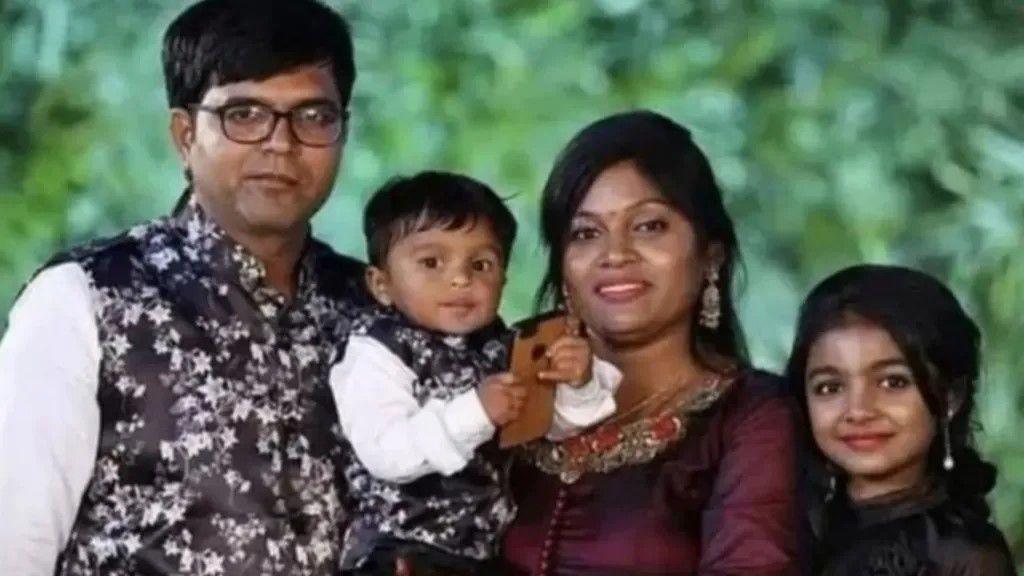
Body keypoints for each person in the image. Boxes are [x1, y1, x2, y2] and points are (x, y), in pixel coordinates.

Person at [0, 1, 369, 574]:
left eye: (313, 117)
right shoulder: (87, 300)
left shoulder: (372, 311)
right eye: (244, 114)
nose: (281, 143)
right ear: (184, 133)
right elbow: (13, 545)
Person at [501, 111, 801, 575]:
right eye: (585, 233)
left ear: (710, 257)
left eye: (648, 226)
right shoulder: (509, 387)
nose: (615, 255)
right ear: (563, 270)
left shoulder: (753, 418)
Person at [332, 171, 621, 575]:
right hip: (400, 553)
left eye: (481, 264)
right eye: (432, 262)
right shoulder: (376, 352)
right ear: (382, 284)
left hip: (480, 555)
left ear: (503, 278)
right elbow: (387, 452)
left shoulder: (501, 347)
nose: (460, 278)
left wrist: (577, 384)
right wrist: (475, 412)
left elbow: (548, 429)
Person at [785, 264, 1016, 575]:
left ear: (950, 396)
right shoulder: (785, 527)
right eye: (830, 387)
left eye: (893, 383)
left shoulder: (967, 557)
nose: (858, 410)